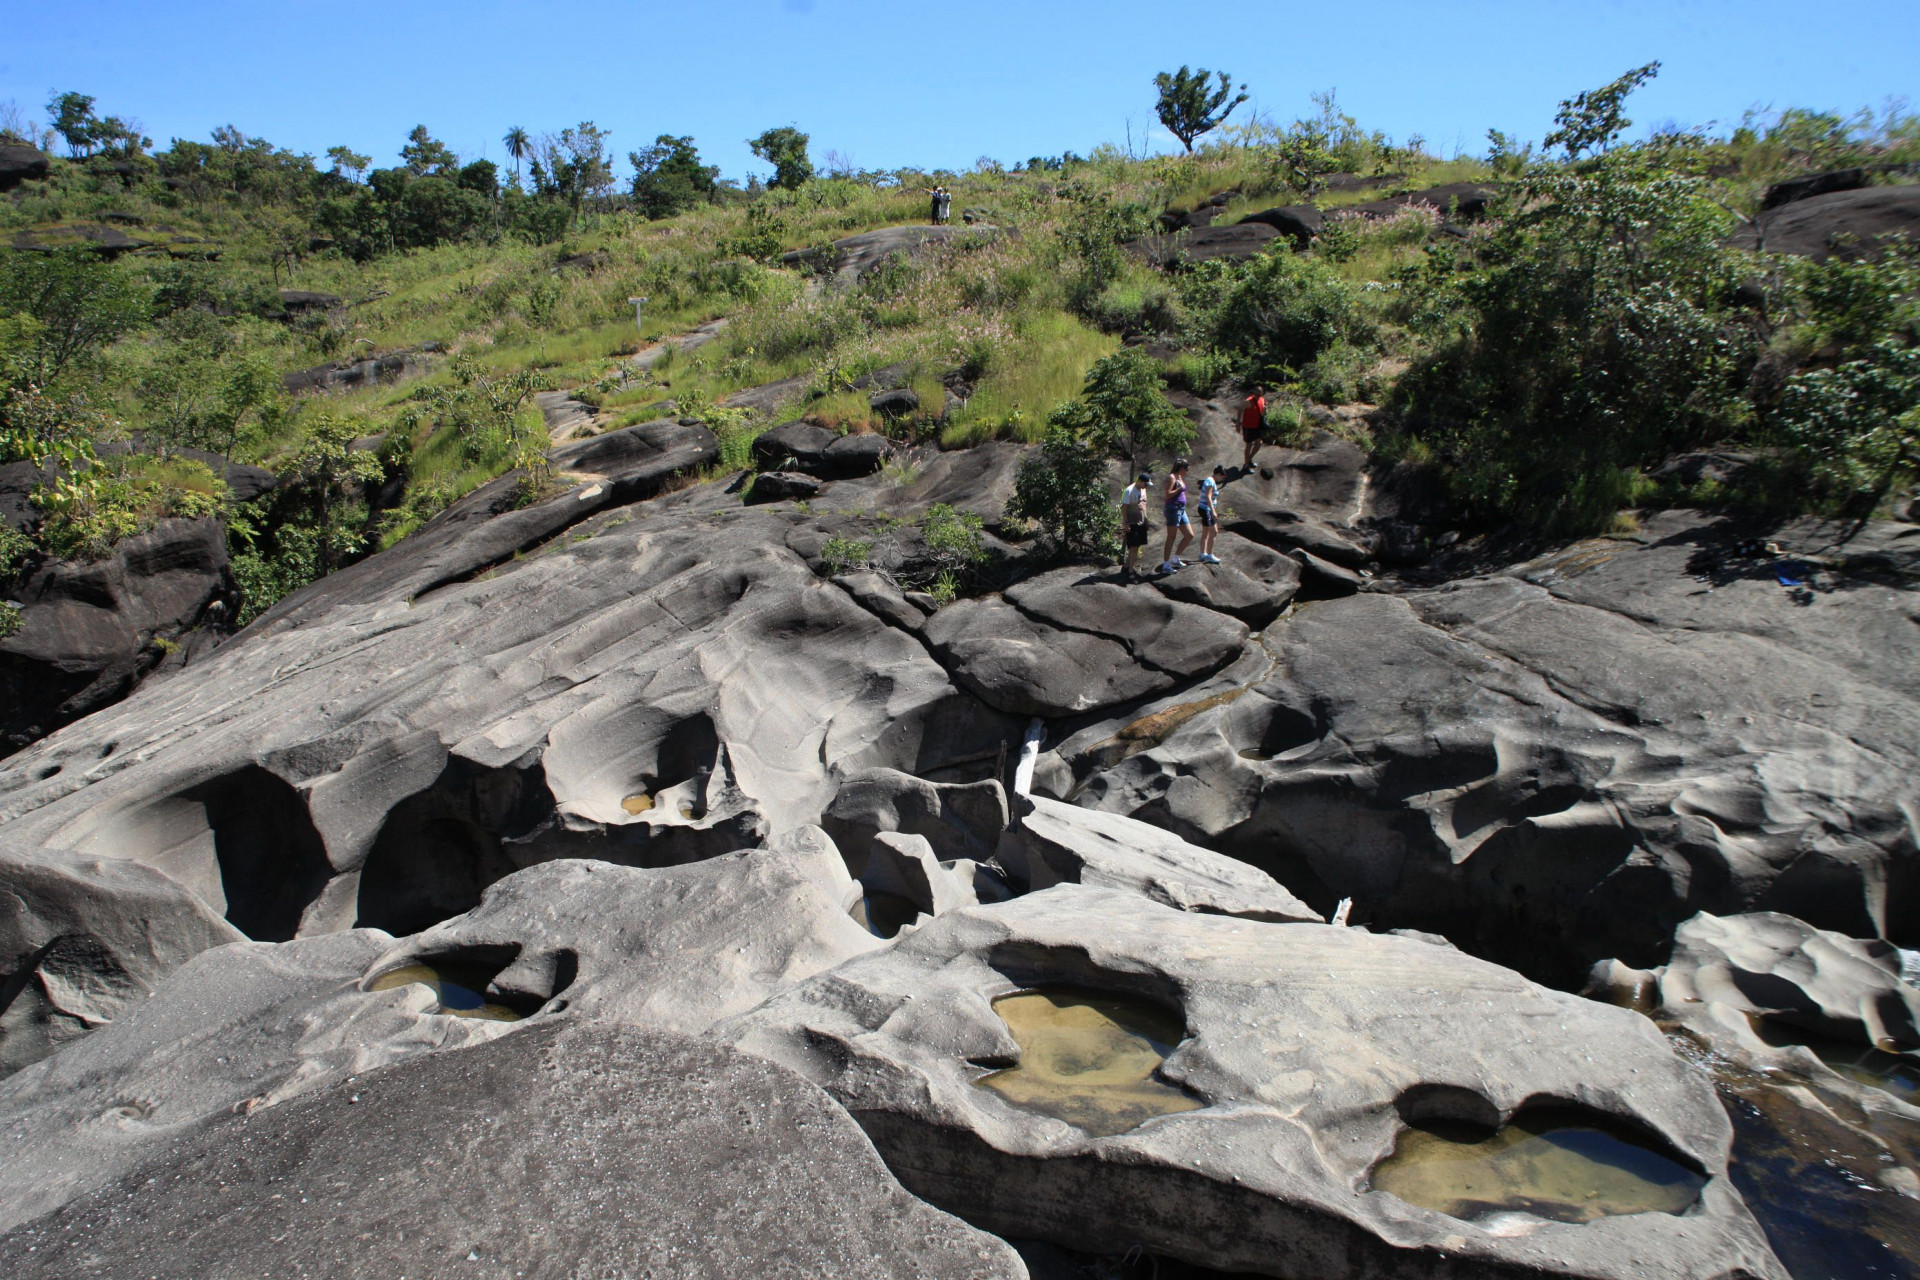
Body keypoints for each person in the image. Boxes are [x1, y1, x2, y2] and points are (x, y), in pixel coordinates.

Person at [1159, 459, 1194, 574]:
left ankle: (1175, 558)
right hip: (1173, 509)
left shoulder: (1179, 478)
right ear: (1181, 468)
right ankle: (1166, 564)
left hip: (1181, 509)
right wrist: (1179, 489)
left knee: (1189, 535)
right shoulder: (1172, 477)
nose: (1187, 471)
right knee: (1171, 537)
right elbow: (1168, 495)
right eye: (1186, 469)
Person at [1119, 471, 1151, 579]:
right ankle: (1130, 571)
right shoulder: (1129, 491)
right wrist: (1126, 522)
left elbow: (1143, 504)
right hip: (1132, 522)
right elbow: (1124, 507)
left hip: (1140, 521)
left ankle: (1126, 566)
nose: (1146, 486)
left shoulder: (1143, 490)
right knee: (1133, 547)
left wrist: (1146, 518)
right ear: (1140, 481)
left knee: (1136, 546)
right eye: (1145, 483)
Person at [1196, 465, 1225, 563]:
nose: (1221, 479)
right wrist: (1213, 511)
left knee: (1206, 532)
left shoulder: (1209, 480)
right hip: (1207, 509)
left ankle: (1202, 554)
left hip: (1204, 508)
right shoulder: (1211, 481)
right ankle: (1209, 555)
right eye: (1222, 477)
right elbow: (1208, 496)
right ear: (1218, 474)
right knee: (1214, 532)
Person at [1239, 384, 1267, 472]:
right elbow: (1240, 410)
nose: (1258, 396)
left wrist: (1265, 409)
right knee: (1249, 445)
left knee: (1259, 443)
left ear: (1262, 394)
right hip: (1248, 427)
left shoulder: (1262, 400)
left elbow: (1262, 413)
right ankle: (1246, 466)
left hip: (1256, 426)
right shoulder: (1248, 401)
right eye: (1257, 394)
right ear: (1254, 393)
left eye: (1260, 394)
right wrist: (1237, 423)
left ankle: (1249, 459)